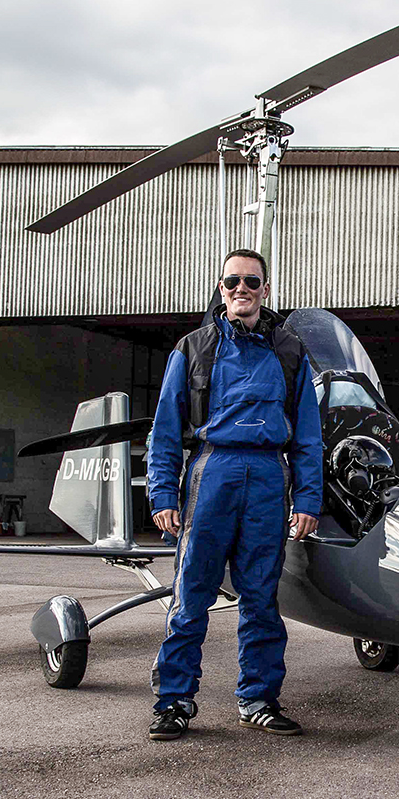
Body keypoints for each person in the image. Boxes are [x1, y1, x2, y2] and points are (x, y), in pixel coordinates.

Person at [144, 249, 325, 741]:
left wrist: (308, 499)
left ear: (266, 290)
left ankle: (259, 699)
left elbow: (308, 433)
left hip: (269, 476)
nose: (241, 289)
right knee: (191, 595)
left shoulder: (291, 352)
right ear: (220, 289)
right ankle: (174, 701)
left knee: (262, 597)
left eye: (251, 281)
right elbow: (165, 430)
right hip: (212, 470)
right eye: (232, 282)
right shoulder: (194, 347)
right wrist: (163, 493)